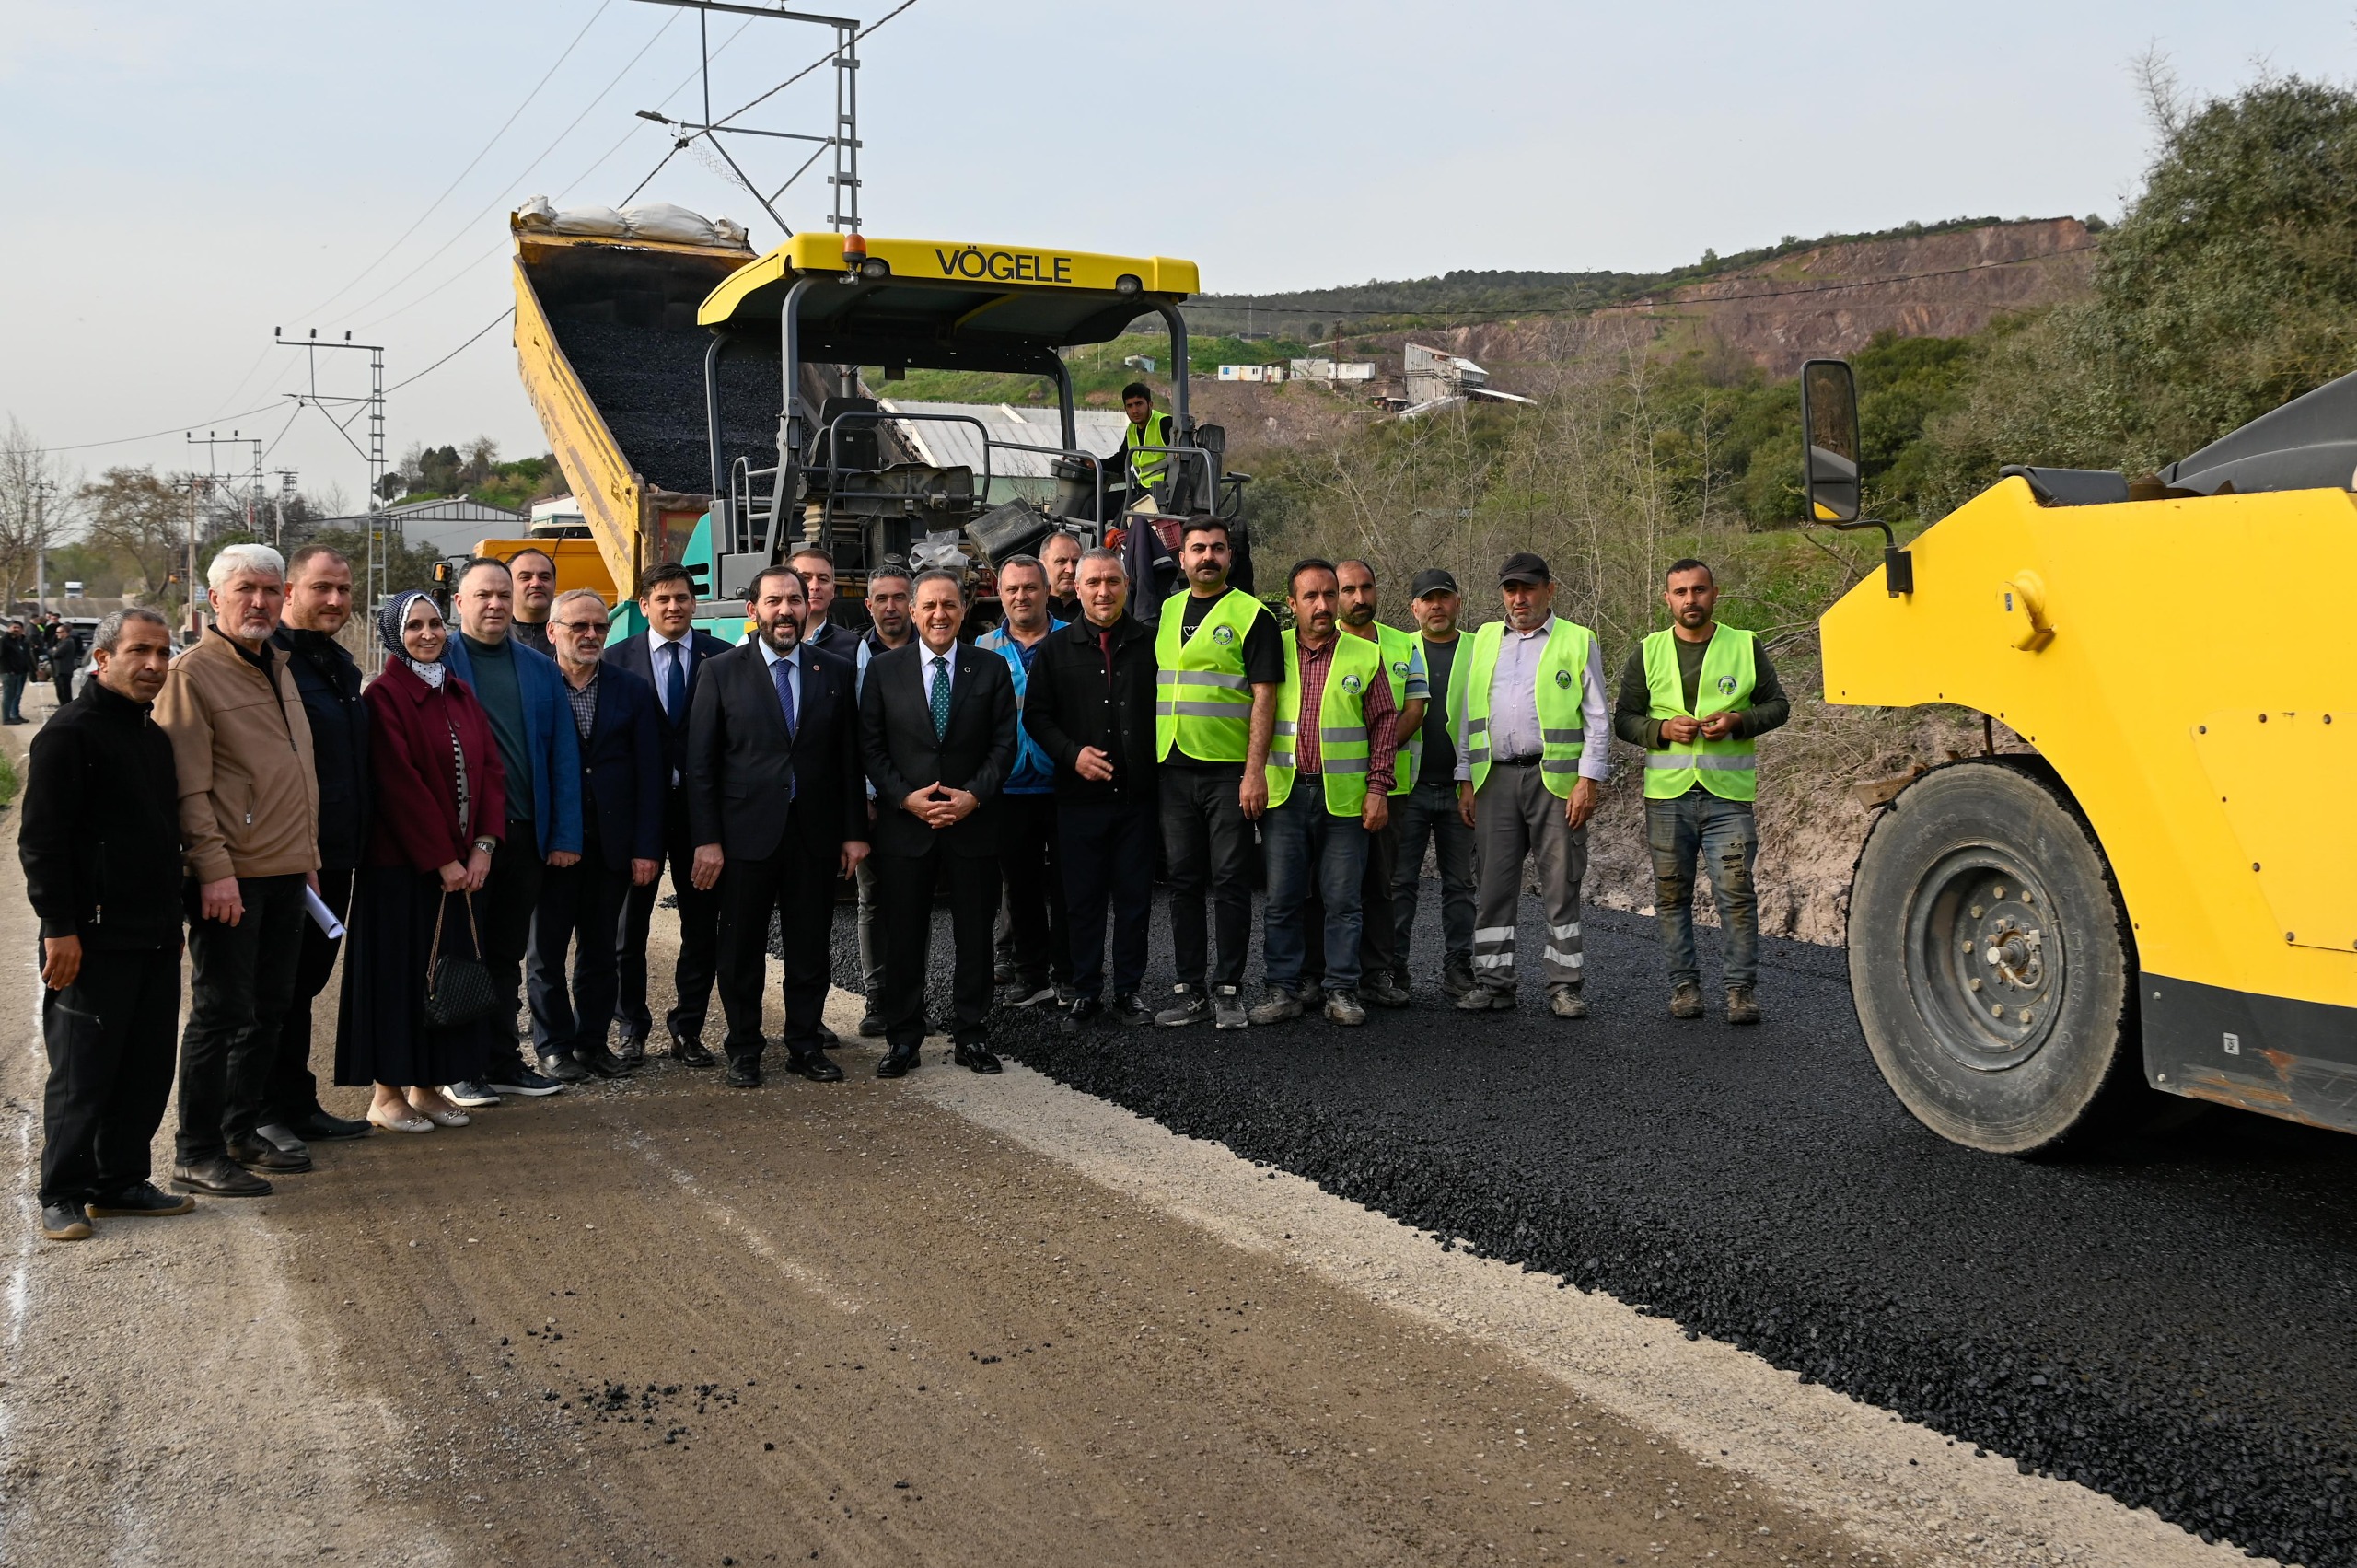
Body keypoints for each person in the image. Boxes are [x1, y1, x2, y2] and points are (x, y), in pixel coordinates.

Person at [21, 609, 192, 1240]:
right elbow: (42, 841)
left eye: (163, 652)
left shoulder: (153, 738)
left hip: (153, 933)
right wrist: (59, 926)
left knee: (145, 1068)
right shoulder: (69, 734)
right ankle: (62, 1193)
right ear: (102, 658)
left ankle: (119, 1181)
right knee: (83, 1072)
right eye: (139, 651)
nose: (153, 664)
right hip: (89, 939)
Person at [154, 543, 319, 1195]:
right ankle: (195, 1151)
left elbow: (295, 774)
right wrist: (213, 869)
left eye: (271, 590)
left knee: (269, 1007)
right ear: (214, 598)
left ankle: (239, 1129)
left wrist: (308, 858)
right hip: (233, 876)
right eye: (246, 588)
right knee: (220, 1011)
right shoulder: (193, 675)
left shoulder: (277, 664)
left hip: (285, 868)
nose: (259, 601)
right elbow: (188, 788)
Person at [686, 566, 866, 1086]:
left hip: (813, 834)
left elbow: (848, 758)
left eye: (794, 600)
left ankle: (805, 1046)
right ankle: (744, 1048)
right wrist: (707, 840)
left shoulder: (834, 670)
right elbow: (701, 765)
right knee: (741, 949)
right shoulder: (720, 671)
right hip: (744, 836)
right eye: (773, 601)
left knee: (809, 949)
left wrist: (854, 831)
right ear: (753, 610)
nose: (785, 610)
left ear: (808, 608)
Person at [338, 590, 504, 1133]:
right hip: (401, 871)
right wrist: (442, 860)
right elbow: (397, 784)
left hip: (458, 870)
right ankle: (387, 1095)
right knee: (400, 978)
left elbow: (490, 770)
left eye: (435, 623)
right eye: (415, 626)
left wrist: (483, 846)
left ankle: (427, 1088)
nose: (429, 634)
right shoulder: (384, 696)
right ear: (394, 634)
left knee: (442, 979)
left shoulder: (458, 691)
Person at [1614, 558, 1789, 1026]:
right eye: (1681, 592)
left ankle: (1740, 992)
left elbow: (1778, 706)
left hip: (1727, 796)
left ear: (1715, 593)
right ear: (1667, 598)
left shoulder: (1744, 645)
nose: (1690, 600)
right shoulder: (1648, 651)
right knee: (1672, 896)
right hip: (1667, 797)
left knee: (1736, 893)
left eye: (1698, 590)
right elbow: (1624, 719)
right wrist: (1661, 730)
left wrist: (1739, 721)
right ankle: (1684, 987)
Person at [860, 568, 1017, 1078]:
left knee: (975, 936)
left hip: (973, 824)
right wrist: (905, 799)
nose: (939, 614)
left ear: (964, 610)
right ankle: (903, 1038)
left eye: (949, 604)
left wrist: (973, 797)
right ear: (913, 611)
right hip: (907, 828)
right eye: (928, 605)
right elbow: (871, 747)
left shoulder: (990, 668)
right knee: (904, 936)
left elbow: (1004, 745)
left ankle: (972, 1035)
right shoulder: (883, 671)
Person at [441, 557, 584, 1100]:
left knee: (505, 954)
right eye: (484, 595)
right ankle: (460, 1065)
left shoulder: (539, 668)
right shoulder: (436, 659)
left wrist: (564, 834)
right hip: (461, 838)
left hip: (523, 833)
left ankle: (502, 1060)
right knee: (461, 953)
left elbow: (562, 755)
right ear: (460, 602)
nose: (496, 604)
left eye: (503, 594)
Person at [1452, 552, 1610, 1018]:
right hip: (1494, 781)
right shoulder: (1484, 639)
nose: (1519, 598)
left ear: (1549, 589)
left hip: (1556, 783)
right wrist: (1465, 778)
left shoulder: (1577, 640)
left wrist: (1588, 780)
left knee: (1560, 887)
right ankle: (1494, 984)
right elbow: (1468, 715)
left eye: (1528, 588)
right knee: (1493, 888)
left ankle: (1565, 986)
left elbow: (1598, 718)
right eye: (1510, 589)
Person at [1248, 560, 1399, 1027]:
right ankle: (1283, 987)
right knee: (1282, 899)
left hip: (1345, 801)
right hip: (1285, 795)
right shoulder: (1272, 651)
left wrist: (1378, 788)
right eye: (1310, 596)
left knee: (1343, 901)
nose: (1322, 605)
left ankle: (1342, 990)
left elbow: (1384, 724)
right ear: (1291, 604)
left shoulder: (1364, 655)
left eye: (1329, 595)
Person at [261, 545, 374, 1151]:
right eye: (321, 588)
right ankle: (260, 1114)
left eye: (344, 589)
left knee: (304, 984)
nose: (335, 599)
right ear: (289, 592)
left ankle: (295, 1104)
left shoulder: (338, 665)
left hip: (337, 855)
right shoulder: (270, 662)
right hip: (288, 858)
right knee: (273, 989)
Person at [528, 589, 664, 1079]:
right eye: (579, 626)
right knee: (545, 953)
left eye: (599, 627)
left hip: (612, 847)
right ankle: (553, 1047)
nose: (590, 635)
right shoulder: (535, 686)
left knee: (602, 952)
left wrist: (646, 848)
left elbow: (650, 774)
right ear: (552, 631)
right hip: (550, 847)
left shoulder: (632, 690)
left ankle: (592, 1044)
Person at [1152, 517, 1279, 1028]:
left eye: (1218, 549)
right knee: (1183, 881)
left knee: (1230, 881)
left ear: (1230, 557)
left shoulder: (1252, 615)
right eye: (1198, 548)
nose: (1208, 557)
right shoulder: (1167, 610)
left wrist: (1254, 772)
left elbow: (1265, 696)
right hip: (1173, 768)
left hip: (1228, 772)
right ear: (1181, 558)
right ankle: (1189, 990)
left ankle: (1228, 989)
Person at [1025, 546, 1158, 1031]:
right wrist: (1071, 754)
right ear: (1076, 589)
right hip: (1078, 801)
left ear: (1127, 586)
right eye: (1094, 583)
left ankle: (1128, 991)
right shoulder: (1054, 650)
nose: (1104, 592)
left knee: (1134, 900)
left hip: (1138, 799)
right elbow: (1036, 716)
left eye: (1113, 581)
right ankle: (1085, 991)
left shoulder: (1151, 644)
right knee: (1081, 901)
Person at [605, 562, 732, 1066]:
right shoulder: (617, 661)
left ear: (694, 602)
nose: (673, 607)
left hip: (702, 814)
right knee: (628, 929)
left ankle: (688, 1029)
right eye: (662, 599)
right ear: (644, 606)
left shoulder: (722, 658)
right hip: (639, 814)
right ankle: (630, 1029)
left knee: (700, 927)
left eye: (681, 597)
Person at [1301, 559, 1425, 1008]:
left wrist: (1377, 767)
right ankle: (1317, 973)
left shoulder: (1403, 644)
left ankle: (1377, 973)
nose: (1359, 598)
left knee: (1380, 884)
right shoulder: (1318, 643)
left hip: (1388, 789)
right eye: (1348, 590)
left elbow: (1413, 710)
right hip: (1330, 789)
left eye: (1366, 588)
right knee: (1323, 886)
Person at [976, 555, 1070, 1008]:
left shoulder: (1073, 639)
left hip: (1064, 783)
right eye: (1012, 589)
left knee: (1071, 886)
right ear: (999, 593)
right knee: (1021, 887)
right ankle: (1032, 975)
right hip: (1009, 787)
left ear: (1047, 591)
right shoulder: (983, 647)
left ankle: (1070, 974)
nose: (1021, 596)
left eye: (1030, 587)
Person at [1391, 568, 1479, 999]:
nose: (1437, 606)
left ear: (1458, 602)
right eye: (1428, 599)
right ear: (1415, 608)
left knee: (1460, 885)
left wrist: (1471, 781)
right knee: (1399, 883)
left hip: (1462, 788)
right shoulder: (1398, 648)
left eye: (1444, 597)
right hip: (1407, 789)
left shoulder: (1481, 649)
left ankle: (1458, 968)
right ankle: (1393, 968)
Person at [847, 563, 914, 1037]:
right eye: (882, 599)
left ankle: (912, 999)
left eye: (899, 597)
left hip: (922, 800)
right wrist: (864, 797)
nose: (891, 607)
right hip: (872, 800)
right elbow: (853, 735)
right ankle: (877, 997)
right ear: (868, 604)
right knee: (872, 900)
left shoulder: (934, 649)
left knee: (914, 902)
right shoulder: (852, 656)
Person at [1108, 381, 1173, 509]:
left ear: (1150, 404)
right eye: (1130, 406)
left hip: (1163, 491)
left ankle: (1117, 524)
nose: (1135, 410)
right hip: (1142, 489)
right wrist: (1095, 463)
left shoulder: (1165, 424)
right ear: (1125, 409)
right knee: (1095, 504)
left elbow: (1184, 462)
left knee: (1125, 510)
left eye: (1139, 404)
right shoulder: (1131, 429)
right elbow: (1121, 461)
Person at [791, 545, 857, 660]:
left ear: (833, 590)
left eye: (823, 579)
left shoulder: (855, 648)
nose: (815, 586)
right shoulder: (760, 644)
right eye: (805, 578)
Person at [506, 547, 558, 656]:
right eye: (525, 577)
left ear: (554, 584)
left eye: (544, 577)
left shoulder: (572, 634)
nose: (536, 583)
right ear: (508, 585)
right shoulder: (494, 636)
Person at [1040, 529, 1084, 624]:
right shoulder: (1028, 610)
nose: (1070, 570)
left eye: (1075, 562)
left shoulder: (1094, 610)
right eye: (1061, 561)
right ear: (1042, 566)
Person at [0, 619, 30, 724]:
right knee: (8, 696)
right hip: (8, 673)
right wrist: (8, 670)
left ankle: (13, 716)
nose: (16, 629)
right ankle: (6, 718)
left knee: (14, 695)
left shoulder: (16, 641)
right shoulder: (4, 641)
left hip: (17, 672)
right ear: (9, 628)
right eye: (14, 627)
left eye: (18, 628)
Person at [48, 624, 79, 712]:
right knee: (60, 694)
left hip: (64, 671)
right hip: (58, 671)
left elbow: (56, 654)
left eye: (59, 632)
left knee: (65, 694)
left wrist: (54, 650)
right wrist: (53, 650)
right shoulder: (61, 642)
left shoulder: (68, 642)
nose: (56, 634)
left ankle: (68, 712)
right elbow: (50, 650)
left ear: (65, 632)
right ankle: (63, 710)